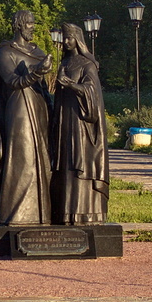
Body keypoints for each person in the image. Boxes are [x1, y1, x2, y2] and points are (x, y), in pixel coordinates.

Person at [0, 10, 53, 225]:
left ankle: (42, 215)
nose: (33, 27)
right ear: (19, 25)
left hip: (40, 110)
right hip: (19, 111)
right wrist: (37, 72)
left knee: (43, 160)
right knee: (22, 159)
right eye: (29, 23)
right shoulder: (5, 53)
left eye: (33, 23)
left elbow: (44, 89)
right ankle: (14, 215)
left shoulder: (38, 51)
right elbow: (12, 81)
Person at [50, 23, 109, 224]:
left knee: (80, 162)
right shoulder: (65, 62)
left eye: (69, 38)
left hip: (81, 124)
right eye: (64, 38)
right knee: (66, 164)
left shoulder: (86, 64)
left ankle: (85, 212)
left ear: (78, 40)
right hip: (64, 121)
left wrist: (72, 85)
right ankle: (64, 212)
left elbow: (92, 92)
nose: (65, 42)